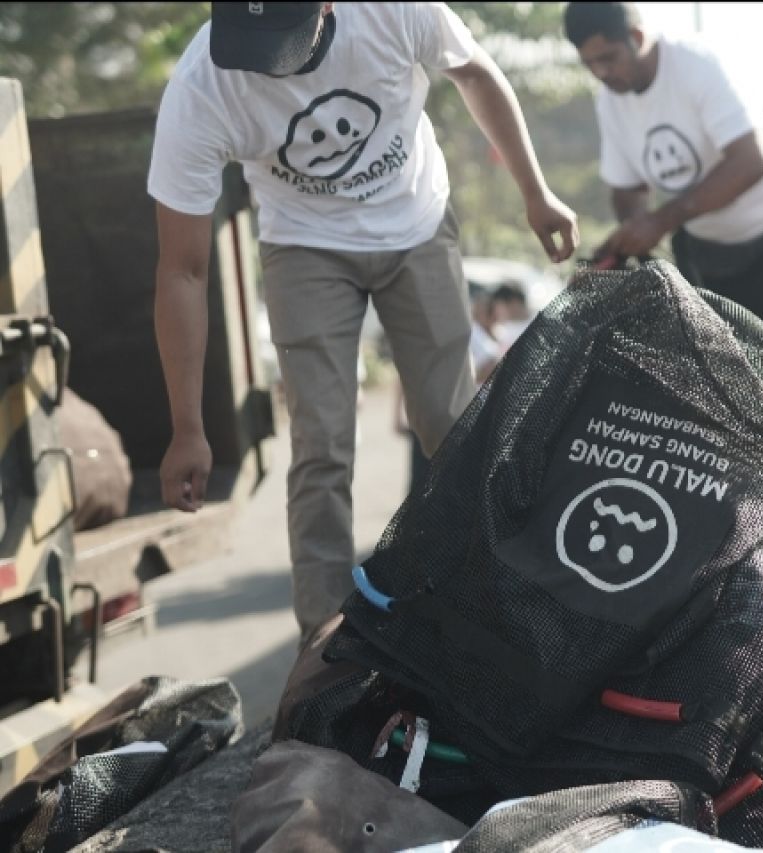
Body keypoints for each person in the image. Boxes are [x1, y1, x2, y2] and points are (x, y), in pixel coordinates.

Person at [150, 2, 579, 642]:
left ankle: (496, 601)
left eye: (285, 44)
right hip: (303, 247)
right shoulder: (203, 84)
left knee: (453, 426)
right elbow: (182, 271)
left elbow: (476, 74)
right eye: (255, 44)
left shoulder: (393, 10)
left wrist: (534, 190)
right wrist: (187, 428)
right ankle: (322, 639)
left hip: (416, 224)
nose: (271, 67)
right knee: (321, 445)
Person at [562, 2, 763, 399]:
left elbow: (750, 160)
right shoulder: (611, 100)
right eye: (590, 63)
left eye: (609, 58)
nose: (602, 72)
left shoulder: (696, 64)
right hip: (710, 242)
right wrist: (632, 232)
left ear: (637, 37)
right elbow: (628, 188)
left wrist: (659, 221)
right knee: (730, 379)